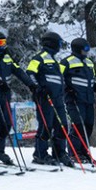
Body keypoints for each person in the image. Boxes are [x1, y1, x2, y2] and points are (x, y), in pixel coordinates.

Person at [0, 30, 37, 165]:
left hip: (4, 93)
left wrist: (31, 84)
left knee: (6, 123)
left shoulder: (7, 58)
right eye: (1, 43)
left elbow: (18, 71)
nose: (3, 45)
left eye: (4, 42)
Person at [25, 31, 74, 167]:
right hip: (45, 98)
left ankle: (59, 153)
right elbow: (30, 73)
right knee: (46, 126)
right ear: (52, 43)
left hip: (58, 99)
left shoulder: (54, 61)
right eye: (59, 43)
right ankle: (40, 154)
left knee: (62, 125)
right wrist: (38, 88)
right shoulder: (39, 58)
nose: (60, 46)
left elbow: (58, 80)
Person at [61, 37, 96, 164]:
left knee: (88, 125)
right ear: (78, 49)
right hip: (74, 99)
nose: (87, 52)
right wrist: (67, 90)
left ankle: (84, 151)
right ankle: (74, 152)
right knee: (78, 125)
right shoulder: (66, 62)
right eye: (85, 49)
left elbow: (91, 78)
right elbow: (59, 79)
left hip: (88, 99)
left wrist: (95, 86)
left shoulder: (89, 62)